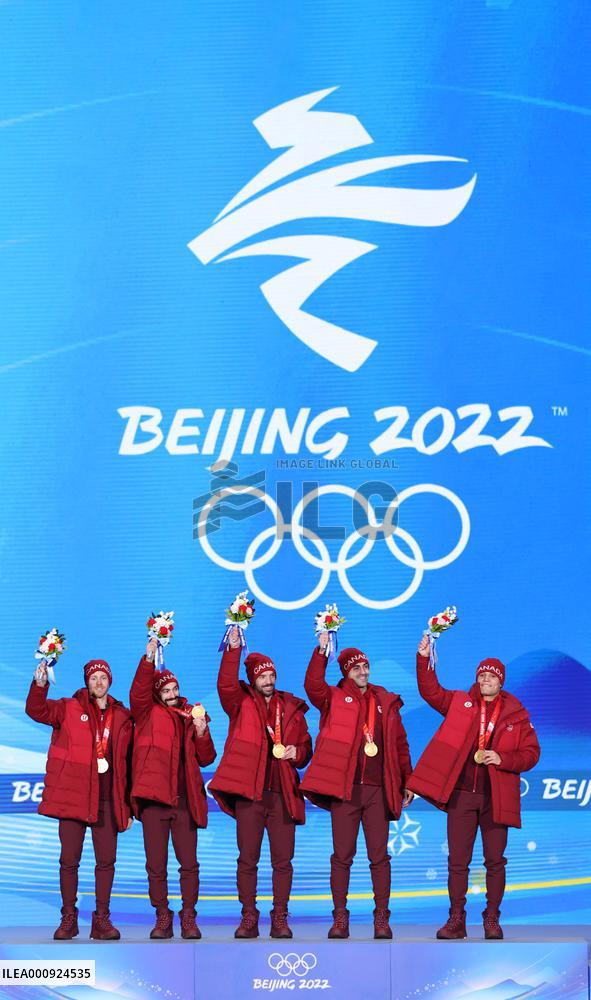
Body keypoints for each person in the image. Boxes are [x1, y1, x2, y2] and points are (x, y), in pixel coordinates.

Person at [407, 635, 541, 940]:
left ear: (501, 682)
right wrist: (423, 658)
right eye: (481, 676)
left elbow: (532, 753)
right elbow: (430, 691)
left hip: (497, 797)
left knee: (495, 861)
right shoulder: (460, 703)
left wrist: (502, 757)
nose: (485, 680)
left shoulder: (516, 715)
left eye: (491, 677)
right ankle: (456, 919)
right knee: (458, 861)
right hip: (462, 796)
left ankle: (491, 918)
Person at [301, 635, 413, 940]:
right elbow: (312, 684)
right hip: (345, 790)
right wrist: (322, 650)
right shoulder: (333, 697)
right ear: (346, 673)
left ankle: (381, 918)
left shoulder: (386, 701)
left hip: (377, 790)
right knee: (342, 856)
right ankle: (340, 918)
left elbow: (400, 744)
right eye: (356, 668)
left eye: (366, 666)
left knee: (380, 857)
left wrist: (407, 780)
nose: (363, 671)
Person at [209, 626, 313, 939]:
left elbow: (307, 746)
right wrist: (233, 649)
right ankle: (249, 917)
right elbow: (226, 682)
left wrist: (297, 752)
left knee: (283, 861)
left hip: (282, 794)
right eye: (262, 676)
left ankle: (280, 917)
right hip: (249, 794)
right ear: (253, 679)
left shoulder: (292, 707)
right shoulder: (239, 703)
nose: (268, 681)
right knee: (247, 859)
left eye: (271, 676)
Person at [25, 657, 133, 940]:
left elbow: (129, 762)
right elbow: (35, 709)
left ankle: (102, 920)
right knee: (69, 861)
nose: (99, 682)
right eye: (94, 678)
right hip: (74, 797)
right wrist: (40, 683)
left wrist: (130, 806)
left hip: (108, 800)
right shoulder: (67, 708)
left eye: (103, 678)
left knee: (106, 862)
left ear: (110, 682)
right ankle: (69, 918)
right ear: (87, 682)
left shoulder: (122, 716)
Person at [130, 636, 216, 939]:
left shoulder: (194, 714)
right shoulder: (145, 713)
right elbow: (139, 691)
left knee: (189, 864)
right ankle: (163, 916)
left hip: (184, 802)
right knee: (156, 864)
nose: (171, 694)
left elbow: (206, 759)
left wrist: (202, 732)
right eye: (165, 691)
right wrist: (148, 656)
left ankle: (189, 917)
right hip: (154, 801)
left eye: (175, 689)